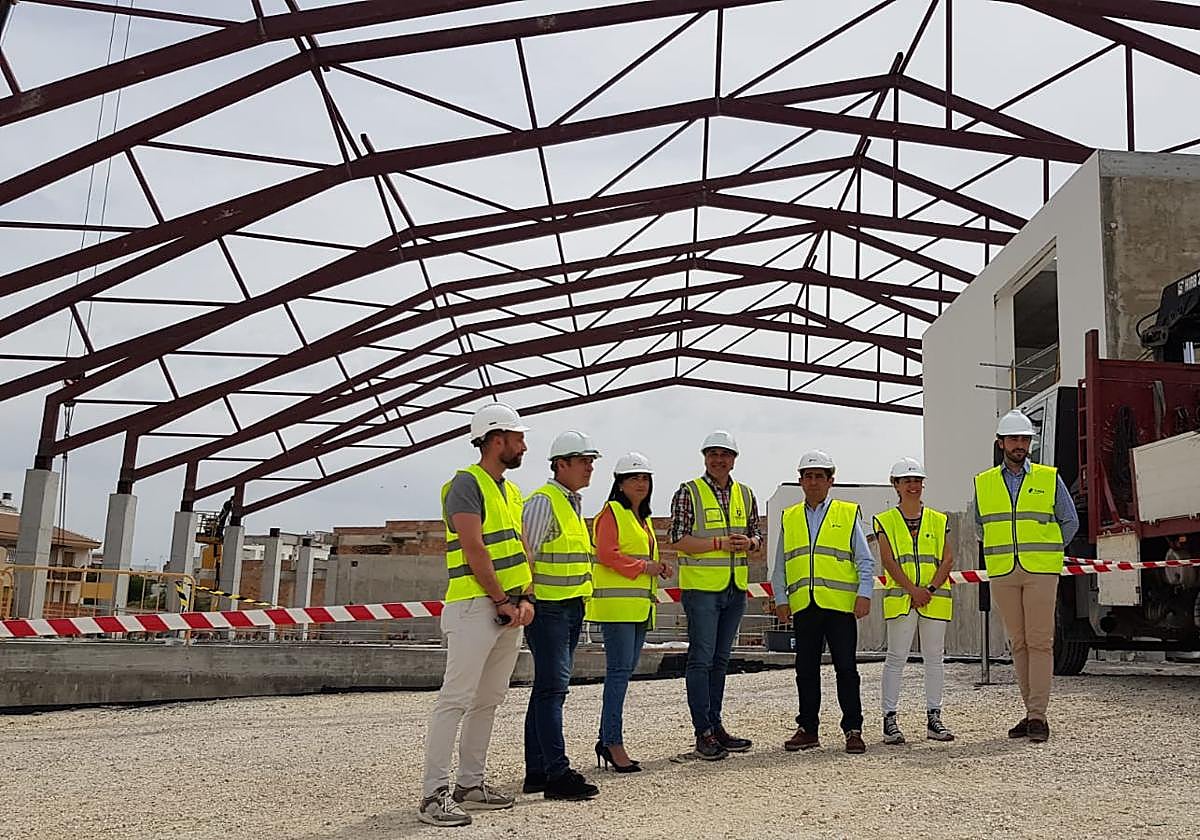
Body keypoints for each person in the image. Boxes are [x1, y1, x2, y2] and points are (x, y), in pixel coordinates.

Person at [419, 403, 535, 828]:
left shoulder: (509, 490)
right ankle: (434, 794)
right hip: (475, 606)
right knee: (456, 699)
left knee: (488, 700)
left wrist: (524, 599)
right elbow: (474, 548)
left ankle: (470, 784)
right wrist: (504, 600)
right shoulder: (465, 484)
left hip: (507, 607)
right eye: (518, 437)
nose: (524, 445)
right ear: (496, 439)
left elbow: (520, 550)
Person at [974, 409, 1078, 743]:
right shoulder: (984, 482)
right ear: (1000, 442)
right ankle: (1029, 710)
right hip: (1003, 570)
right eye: (1014, 439)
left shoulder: (1049, 477)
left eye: (1024, 439)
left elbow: (1069, 520)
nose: (1019, 445)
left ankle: (1038, 716)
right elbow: (979, 526)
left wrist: (1049, 551)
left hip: (1040, 572)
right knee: (1017, 643)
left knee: (1040, 641)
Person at [772, 450, 875, 755]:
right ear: (800, 480)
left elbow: (864, 560)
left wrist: (864, 593)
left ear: (831, 481)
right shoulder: (789, 517)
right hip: (805, 605)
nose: (813, 481)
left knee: (846, 669)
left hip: (840, 606)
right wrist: (781, 599)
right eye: (808, 476)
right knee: (805, 670)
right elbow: (781, 564)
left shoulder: (846, 513)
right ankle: (808, 729)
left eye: (820, 476)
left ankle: (853, 729)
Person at [667, 430, 761, 760]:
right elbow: (677, 539)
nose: (719, 459)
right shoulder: (688, 492)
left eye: (725, 454)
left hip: (734, 589)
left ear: (734, 459)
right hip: (702, 590)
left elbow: (757, 537)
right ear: (705, 457)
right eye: (713, 454)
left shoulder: (746, 494)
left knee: (720, 661)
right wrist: (718, 544)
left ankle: (715, 725)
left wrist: (749, 544)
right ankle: (702, 731)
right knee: (702, 660)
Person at [521, 431, 601, 801]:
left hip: (569, 606)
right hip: (548, 608)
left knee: (545, 692)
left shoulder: (572, 503)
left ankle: (537, 772)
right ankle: (557, 774)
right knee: (553, 690)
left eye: (591, 461)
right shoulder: (543, 502)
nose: (590, 467)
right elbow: (526, 557)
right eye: (584, 460)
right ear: (561, 464)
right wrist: (525, 599)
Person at [587, 452, 672, 773]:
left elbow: (632, 556)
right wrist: (645, 566)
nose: (641, 483)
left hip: (637, 609)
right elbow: (608, 555)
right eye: (634, 478)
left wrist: (657, 567)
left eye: (645, 478)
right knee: (618, 675)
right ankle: (612, 742)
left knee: (623, 674)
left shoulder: (643, 520)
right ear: (620, 484)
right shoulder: (611, 513)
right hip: (617, 609)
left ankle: (607, 739)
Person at [874, 457, 956, 745]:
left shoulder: (938, 519)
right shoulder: (885, 520)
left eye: (917, 480)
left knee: (935, 659)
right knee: (896, 658)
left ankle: (934, 718)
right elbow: (888, 560)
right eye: (906, 480)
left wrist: (930, 589)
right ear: (895, 485)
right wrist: (912, 589)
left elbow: (947, 558)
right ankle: (890, 720)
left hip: (933, 598)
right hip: (903, 598)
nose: (913, 485)